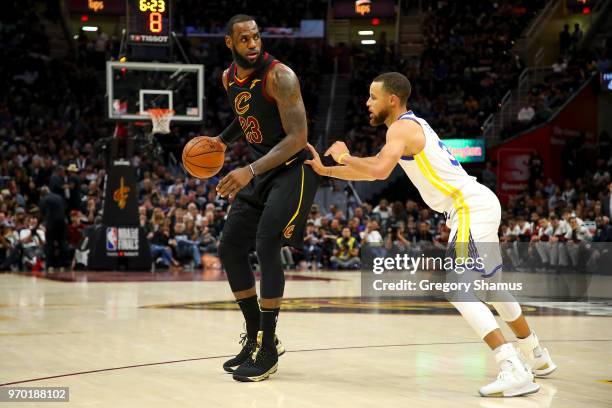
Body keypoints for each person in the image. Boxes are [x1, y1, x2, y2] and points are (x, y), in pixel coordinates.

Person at [305, 72, 556, 397]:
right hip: (479, 204)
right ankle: (536, 355)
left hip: (469, 208)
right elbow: (375, 167)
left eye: (372, 96)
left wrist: (341, 156)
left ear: (391, 100)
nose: (367, 103)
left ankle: (511, 365)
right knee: (493, 290)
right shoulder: (408, 127)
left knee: (457, 287)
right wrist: (327, 170)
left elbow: (379, 170)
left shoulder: (401, 128)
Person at [209, 15, 320, 382]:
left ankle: (268, 347)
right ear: (230, 43)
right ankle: (256, 335)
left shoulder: (280, 76)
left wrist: (249, 171)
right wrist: (222, 142)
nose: (253, 44)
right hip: (263, 170)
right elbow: (246, 116)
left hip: (294, 168)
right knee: (229, 248)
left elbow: (298, 136)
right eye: (244, 39)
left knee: (267, 243)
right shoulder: (229, 78)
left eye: (256, 37)